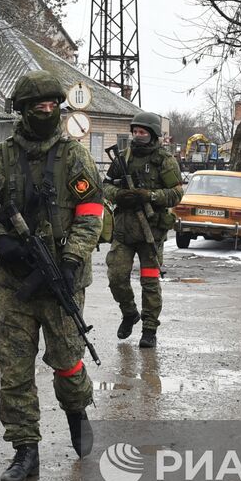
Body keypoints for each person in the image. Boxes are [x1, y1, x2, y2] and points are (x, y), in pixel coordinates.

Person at [0, 70, 105, 481]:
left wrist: (72, 259)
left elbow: (91, 213)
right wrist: (0, 241)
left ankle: (77, 413)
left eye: (52, 107)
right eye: (38, 107)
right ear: (22, 111)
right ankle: (25, 450)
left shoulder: (75, 157)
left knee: (67, 360)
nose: (46, 113)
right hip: (14, 283)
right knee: (15, 369)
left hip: (62, 278)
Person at [104, 111, 183, 349]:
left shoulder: (164, 160)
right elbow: (105, 185)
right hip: (124, 231)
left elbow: (177, 194)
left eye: (142, 132)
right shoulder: (123, 158)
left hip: (151, 232)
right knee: (116, 277)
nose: (137, 136)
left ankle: (149, 329)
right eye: (135, 132)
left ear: (153, 134)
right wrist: (119, 195)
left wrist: (150, 196)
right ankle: (129, 313)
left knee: (149, 283)